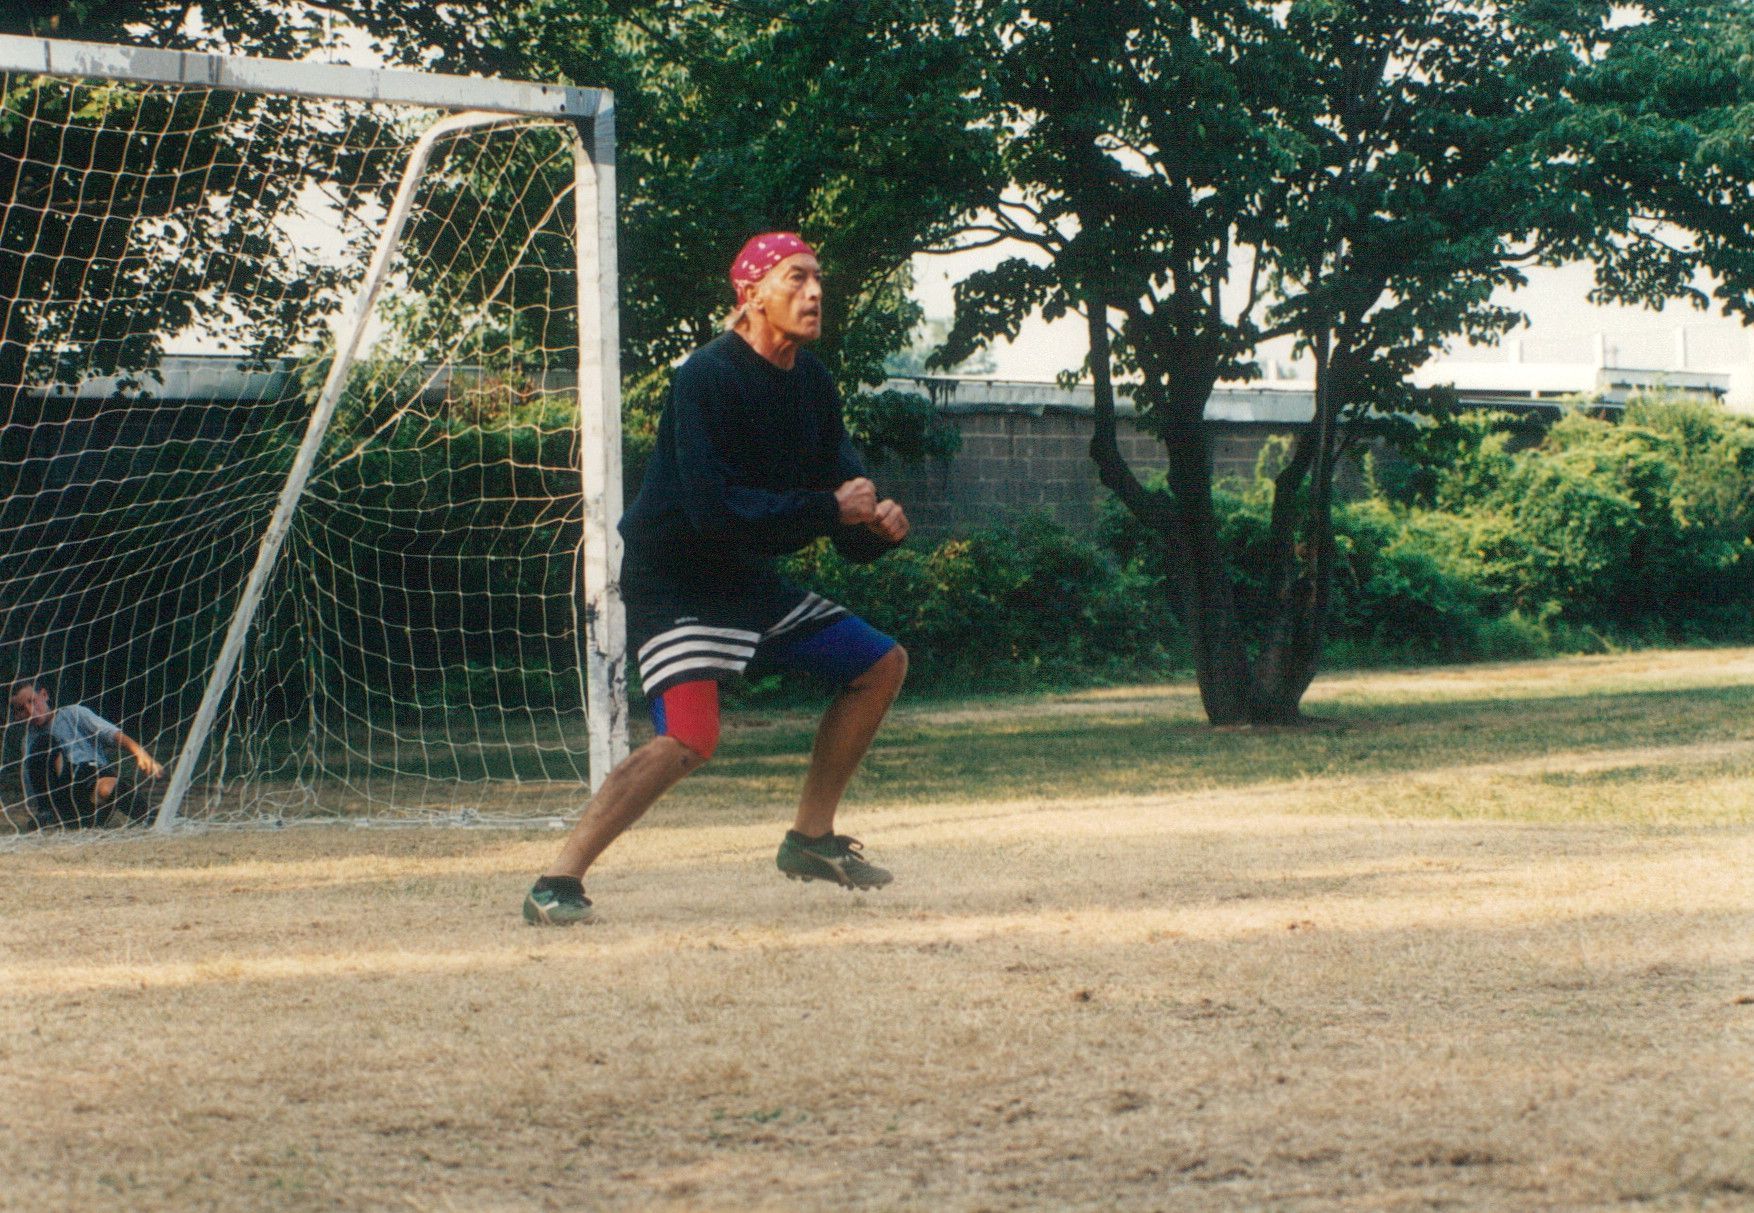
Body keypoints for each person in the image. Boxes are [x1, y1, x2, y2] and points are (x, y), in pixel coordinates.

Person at [523, 232, 911, 925]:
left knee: (880, 664)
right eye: (796, 279)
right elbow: (713, 511)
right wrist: (830, 509)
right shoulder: (705, 377)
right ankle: (556, 881)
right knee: (690, 739)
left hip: (746, 579)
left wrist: (874, 530)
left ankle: (811, 840)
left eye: (818, 279)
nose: (815, 293)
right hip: (677, 582)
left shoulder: (814, 384)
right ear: (752, 295)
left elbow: (842, 512)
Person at [8, 679, 166, 829]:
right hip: (64, 801)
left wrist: (140, 753)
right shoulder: (28, 741)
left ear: (44, 695)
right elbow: (34, 786)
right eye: (21, 709)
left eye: (32, 701)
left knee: (107, 786)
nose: (30, 711)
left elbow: (111, 734)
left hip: (92, 786)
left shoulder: (73, 714)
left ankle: (151, 816)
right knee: (44, 744)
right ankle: (48, 814)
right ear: (16, 716)